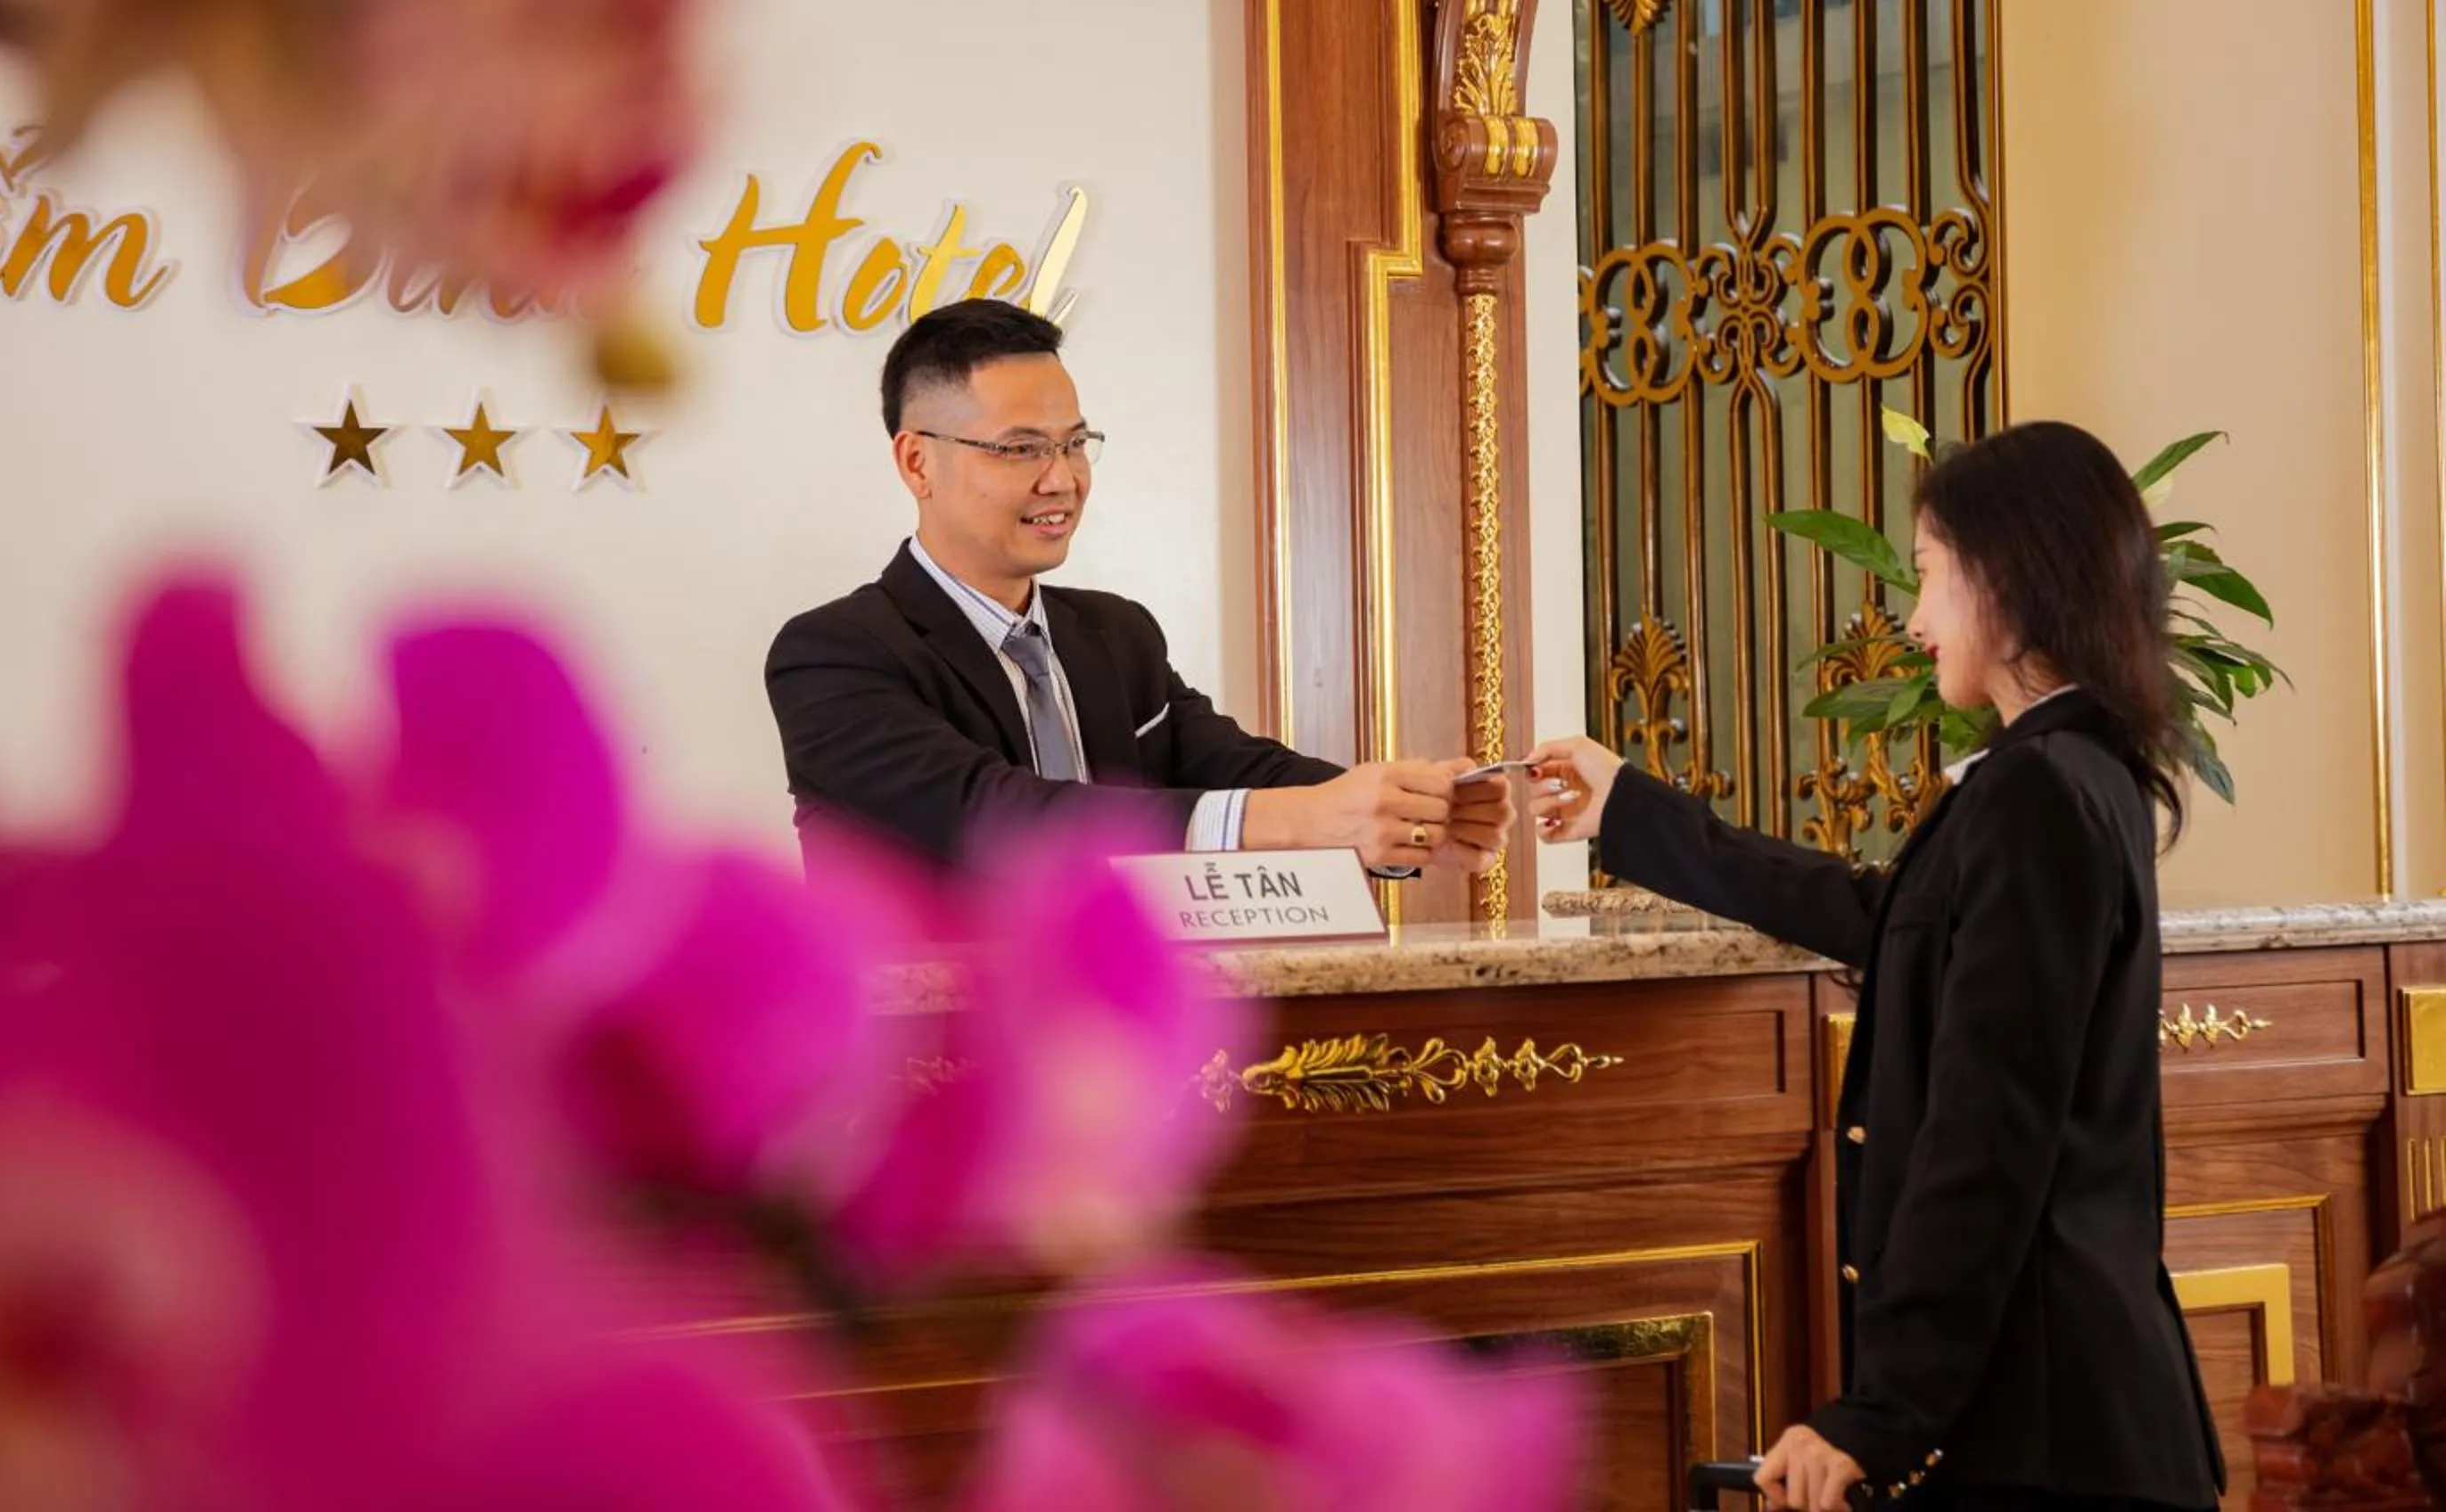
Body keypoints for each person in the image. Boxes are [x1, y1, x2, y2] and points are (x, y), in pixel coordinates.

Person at [1528, 421, 2223, 1512]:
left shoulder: (2040, 791)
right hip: (2053, 1420)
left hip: (2049, 1437)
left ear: (2009, 575)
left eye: (1934, 573)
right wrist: (1627, 804)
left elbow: (1988, 1138)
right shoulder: (2063, 774)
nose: (1913, 616)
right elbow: (1878, 913)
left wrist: (1885, 1412)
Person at [765, 300, 1513, 880]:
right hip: (933, 1059)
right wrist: (1314, 817)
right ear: (917, 463)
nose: (1060, 478)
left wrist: (1411, 820)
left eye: (1073, 443)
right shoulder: (834, 654)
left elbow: (1245, 770)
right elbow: (996, 816)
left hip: (1126, 1046)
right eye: (1021, 448)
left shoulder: (1116, 635)